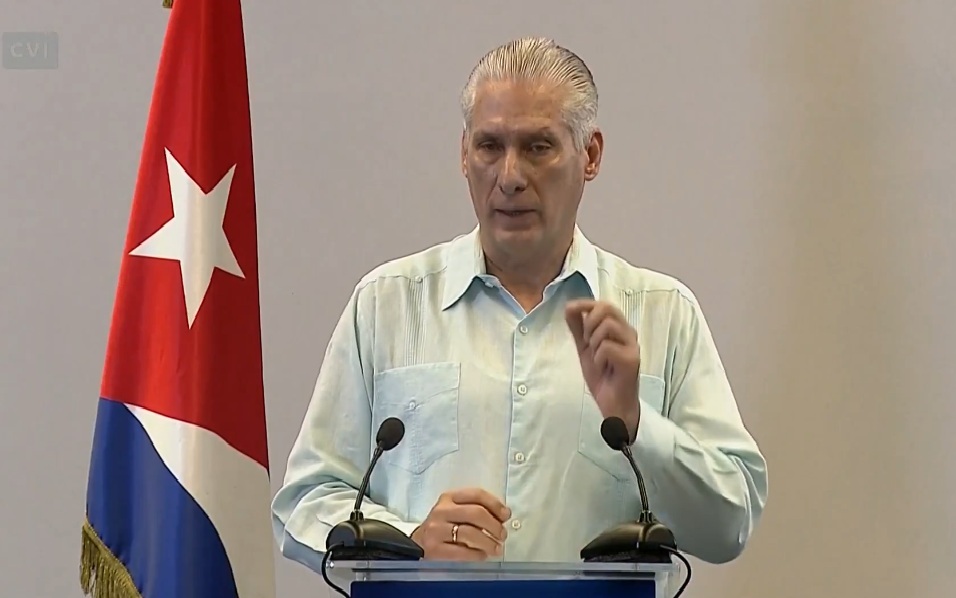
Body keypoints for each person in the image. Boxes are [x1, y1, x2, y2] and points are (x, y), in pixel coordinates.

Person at [271, 36, 768, 571]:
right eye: (490, 146)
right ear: (464, 154)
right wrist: (409, 541)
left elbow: (730, 522)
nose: (509, 177)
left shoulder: (662, 313)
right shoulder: (387, 304)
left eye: (537, 147)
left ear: (591, 155)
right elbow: (305, 502)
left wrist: (636, 421)